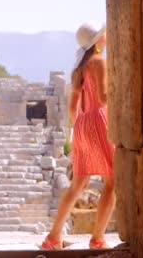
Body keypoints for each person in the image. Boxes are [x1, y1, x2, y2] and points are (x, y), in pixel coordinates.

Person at [40, 21, 116, 250]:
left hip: (81, 125)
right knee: (113, 182)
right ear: (98, 41)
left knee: (78, 184)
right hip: (100, 121)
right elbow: (103, 99)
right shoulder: (99, 62)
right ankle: (98, 238)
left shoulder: (78, 69)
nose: (106, 37)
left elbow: (73, 107)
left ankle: (53, 238)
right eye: (103, 35)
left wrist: (81, 128)